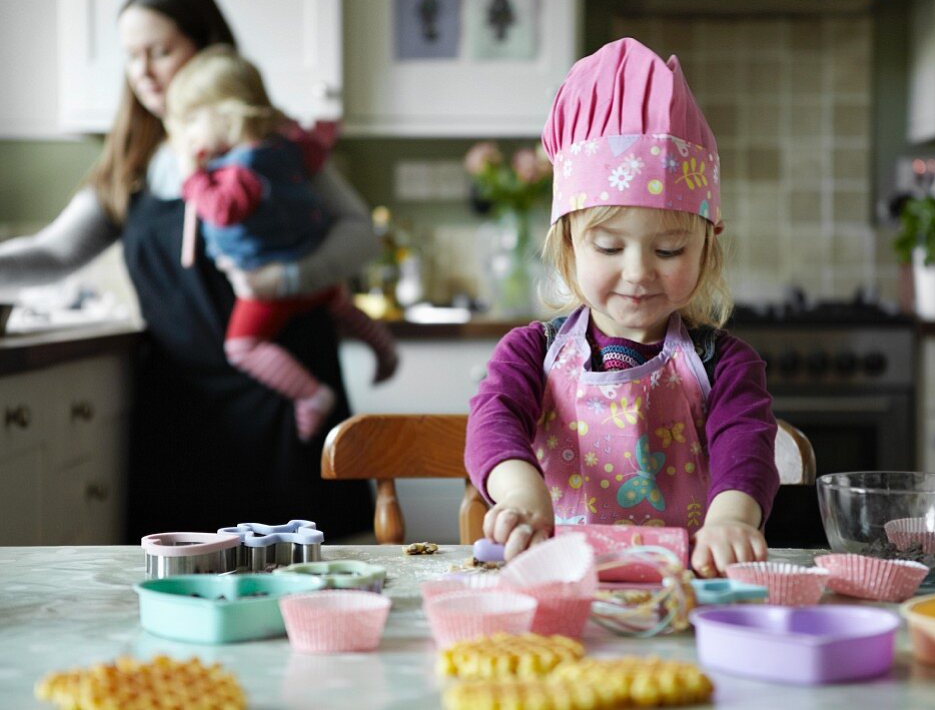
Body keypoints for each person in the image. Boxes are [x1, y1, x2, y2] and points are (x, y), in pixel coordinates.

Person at [0, 0, 376, 540]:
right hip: (182, 413)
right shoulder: (133, 160)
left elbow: (358, 231)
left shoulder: (274, 144)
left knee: (305, 587)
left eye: (161, 51)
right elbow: (56, 253)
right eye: (132, 57)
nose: (144, 72)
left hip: (284, 395)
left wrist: (290, 276)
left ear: (208, 49)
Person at [464, 38, 779, 577]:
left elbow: (745, 443)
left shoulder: (723, 363)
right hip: (561, 582)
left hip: (681, 588)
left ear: (708, 248)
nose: (638, 272)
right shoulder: (530, 353)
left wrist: (731, 520)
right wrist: (520, 493)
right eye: (609, 247)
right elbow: (493, 421)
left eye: (669, 249)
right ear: (568, 246)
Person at [165, 45, 397, 441]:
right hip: (314, 268)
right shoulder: (286, 148)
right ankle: (383, 349)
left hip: (269, 288)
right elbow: (315, 152)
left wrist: (191, 173)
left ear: (227, 116)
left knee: (241, 348)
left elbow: (221, 211)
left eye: (191, 120)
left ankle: (310, 396)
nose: (187, 134)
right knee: (338, 305)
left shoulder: (240, 172)